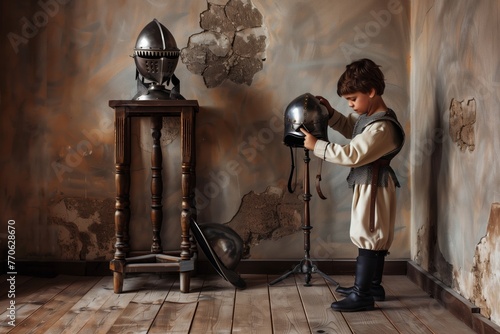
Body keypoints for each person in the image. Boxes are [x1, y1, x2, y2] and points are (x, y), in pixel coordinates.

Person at [300, 58, 405, 312]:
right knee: (370, 234)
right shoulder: (371, 119)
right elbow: (352, 128)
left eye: (353, 99)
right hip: (371, 183)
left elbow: (353, 154)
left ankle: (362, 295)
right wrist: (332, 114)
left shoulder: (381, 127)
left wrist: (318, 147)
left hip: (375, 186)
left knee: (368, 234)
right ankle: (371, 286)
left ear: (371, 92)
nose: (350, 105)